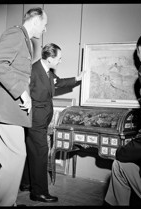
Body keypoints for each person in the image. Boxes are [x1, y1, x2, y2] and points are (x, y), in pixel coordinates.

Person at [0, 7, 47, 206]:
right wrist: (22, 92)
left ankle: (5, 202)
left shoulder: (25, 40)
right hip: (7, 110)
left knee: (4, 161)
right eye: (44, 24)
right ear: (36, 21)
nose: (45, 29)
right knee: (16, 157)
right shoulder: (16, 33)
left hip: (8, 111)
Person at [19, 43, 84, 203]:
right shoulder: (33, 71)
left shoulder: (47, 71)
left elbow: (58, 83)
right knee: (41, 153)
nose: (60, 61)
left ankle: (27, 183)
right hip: (35, 120)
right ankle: (39, 192)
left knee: (32, 150)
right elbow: (20, 87)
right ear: (49, 59)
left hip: (41, 118)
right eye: (58, 58)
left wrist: (77, 78)